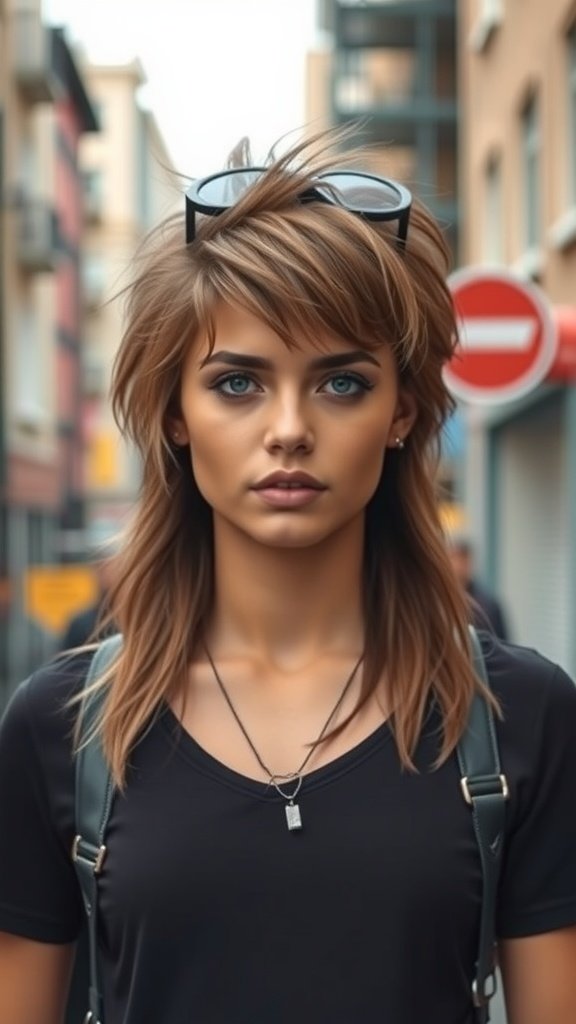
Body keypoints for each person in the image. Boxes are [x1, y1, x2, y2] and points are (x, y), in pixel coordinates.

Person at [0, 128, 575, 1024]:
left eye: (341, 383)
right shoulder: (62, 729)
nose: (289, 429)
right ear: (175, 414)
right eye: (237, 384)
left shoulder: (517, 717)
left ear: (402, 413)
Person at [447, 532, 509, 641]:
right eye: (453, 558)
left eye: (463, 559)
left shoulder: (489, 604)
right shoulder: (438, 601)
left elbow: (504, 644)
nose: (458, 565)